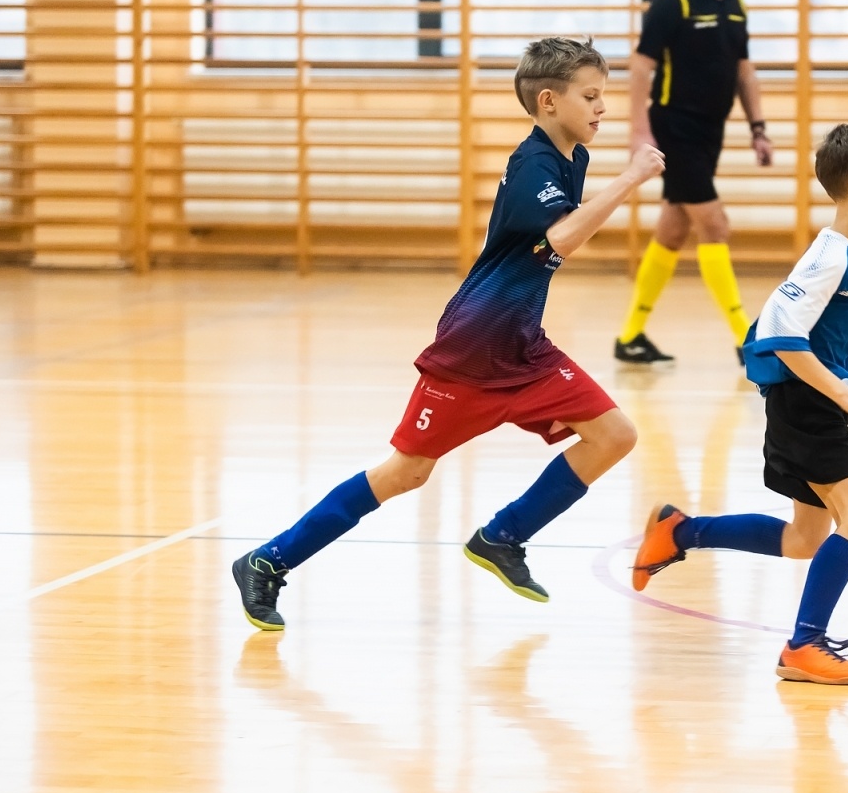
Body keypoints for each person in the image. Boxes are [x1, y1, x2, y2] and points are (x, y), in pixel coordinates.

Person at [231, 37, 665, 631]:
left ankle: (504, 536)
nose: (602, 108)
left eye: (602, 97)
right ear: (547, 101)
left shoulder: (571, 160)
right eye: (590, 97)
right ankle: (267, 560)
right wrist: (631, 180)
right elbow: (558, 241)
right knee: (404, 472)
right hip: (473, 348)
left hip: (521, 345)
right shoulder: (532, 164)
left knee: (614, 435)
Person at [630, 120, 848, 685]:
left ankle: (679, 531)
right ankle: (804, 645)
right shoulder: (829, 257)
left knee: (805, 539)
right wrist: (846, 394)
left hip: (814, 403)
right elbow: (779, 332)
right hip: (807, 405)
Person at [614, 0, 775, 366]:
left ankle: (630, 337)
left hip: (711, 132)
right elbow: (642, 67)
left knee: (673, 229)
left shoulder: (736, 5)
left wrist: (757, 128)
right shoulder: (673, 3)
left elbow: (743, 70)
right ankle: (747, 340)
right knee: (714, 224)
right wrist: (639, 130)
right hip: (674, 129)